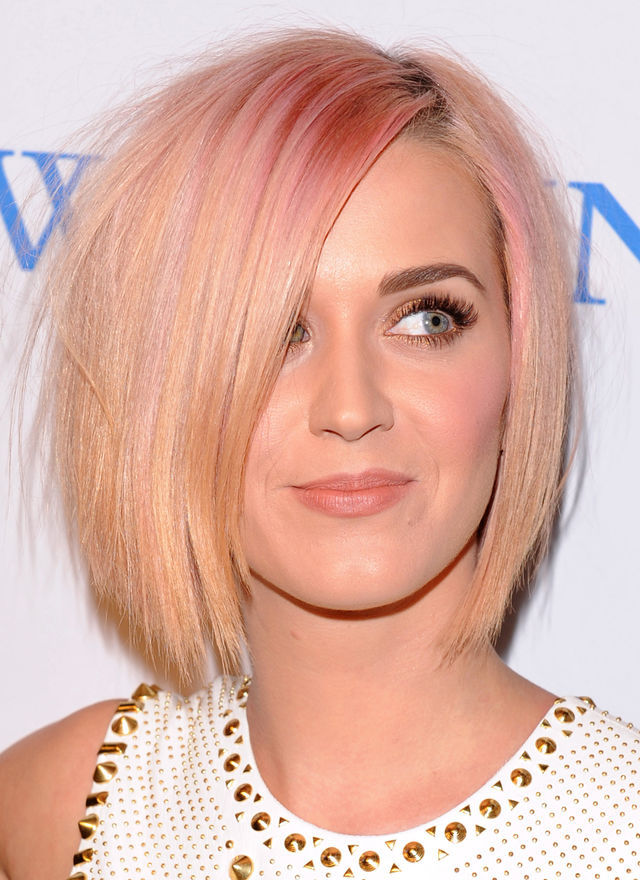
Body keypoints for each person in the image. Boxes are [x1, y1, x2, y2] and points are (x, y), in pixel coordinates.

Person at [0, 28, 638, 880]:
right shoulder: (60, 812)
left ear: (520, 367)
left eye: (427, 319)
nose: (350, 408)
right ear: (164, 392)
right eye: (273, 330)